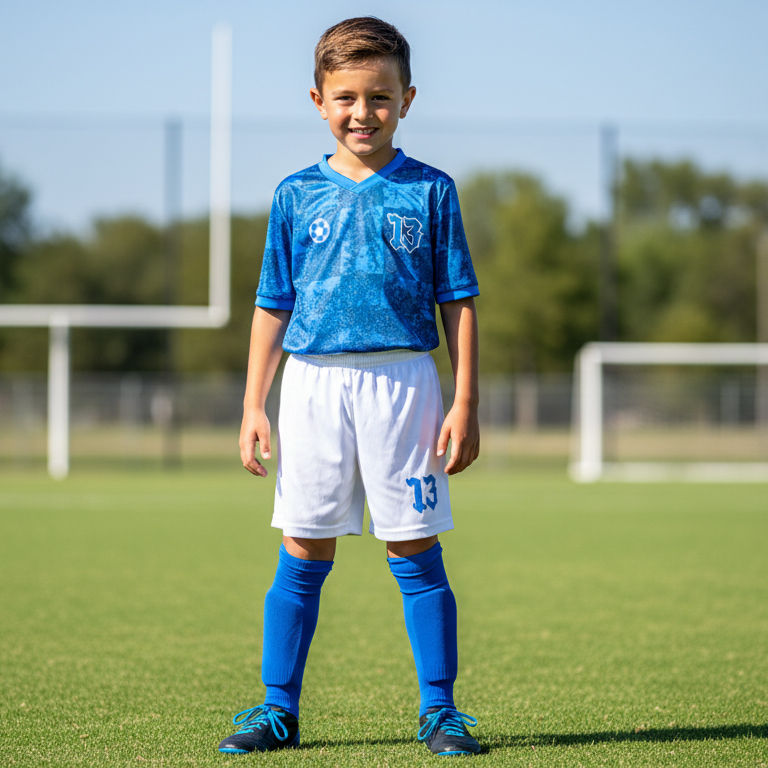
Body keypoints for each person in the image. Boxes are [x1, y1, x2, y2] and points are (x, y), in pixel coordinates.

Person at [218, 16, 481, 757]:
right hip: (312, 387)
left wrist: (465, 399)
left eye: (379, 98)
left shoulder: (431, 191)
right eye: (345, 98)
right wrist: (252, 404)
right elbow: (274, 303)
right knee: (303, 549)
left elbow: (457, 301)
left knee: (414, 549)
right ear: (317, 100)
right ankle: (278, 710)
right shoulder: (295, 195)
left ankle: (439, 710)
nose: (362, 113)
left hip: (404, 384)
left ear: (407, 99)